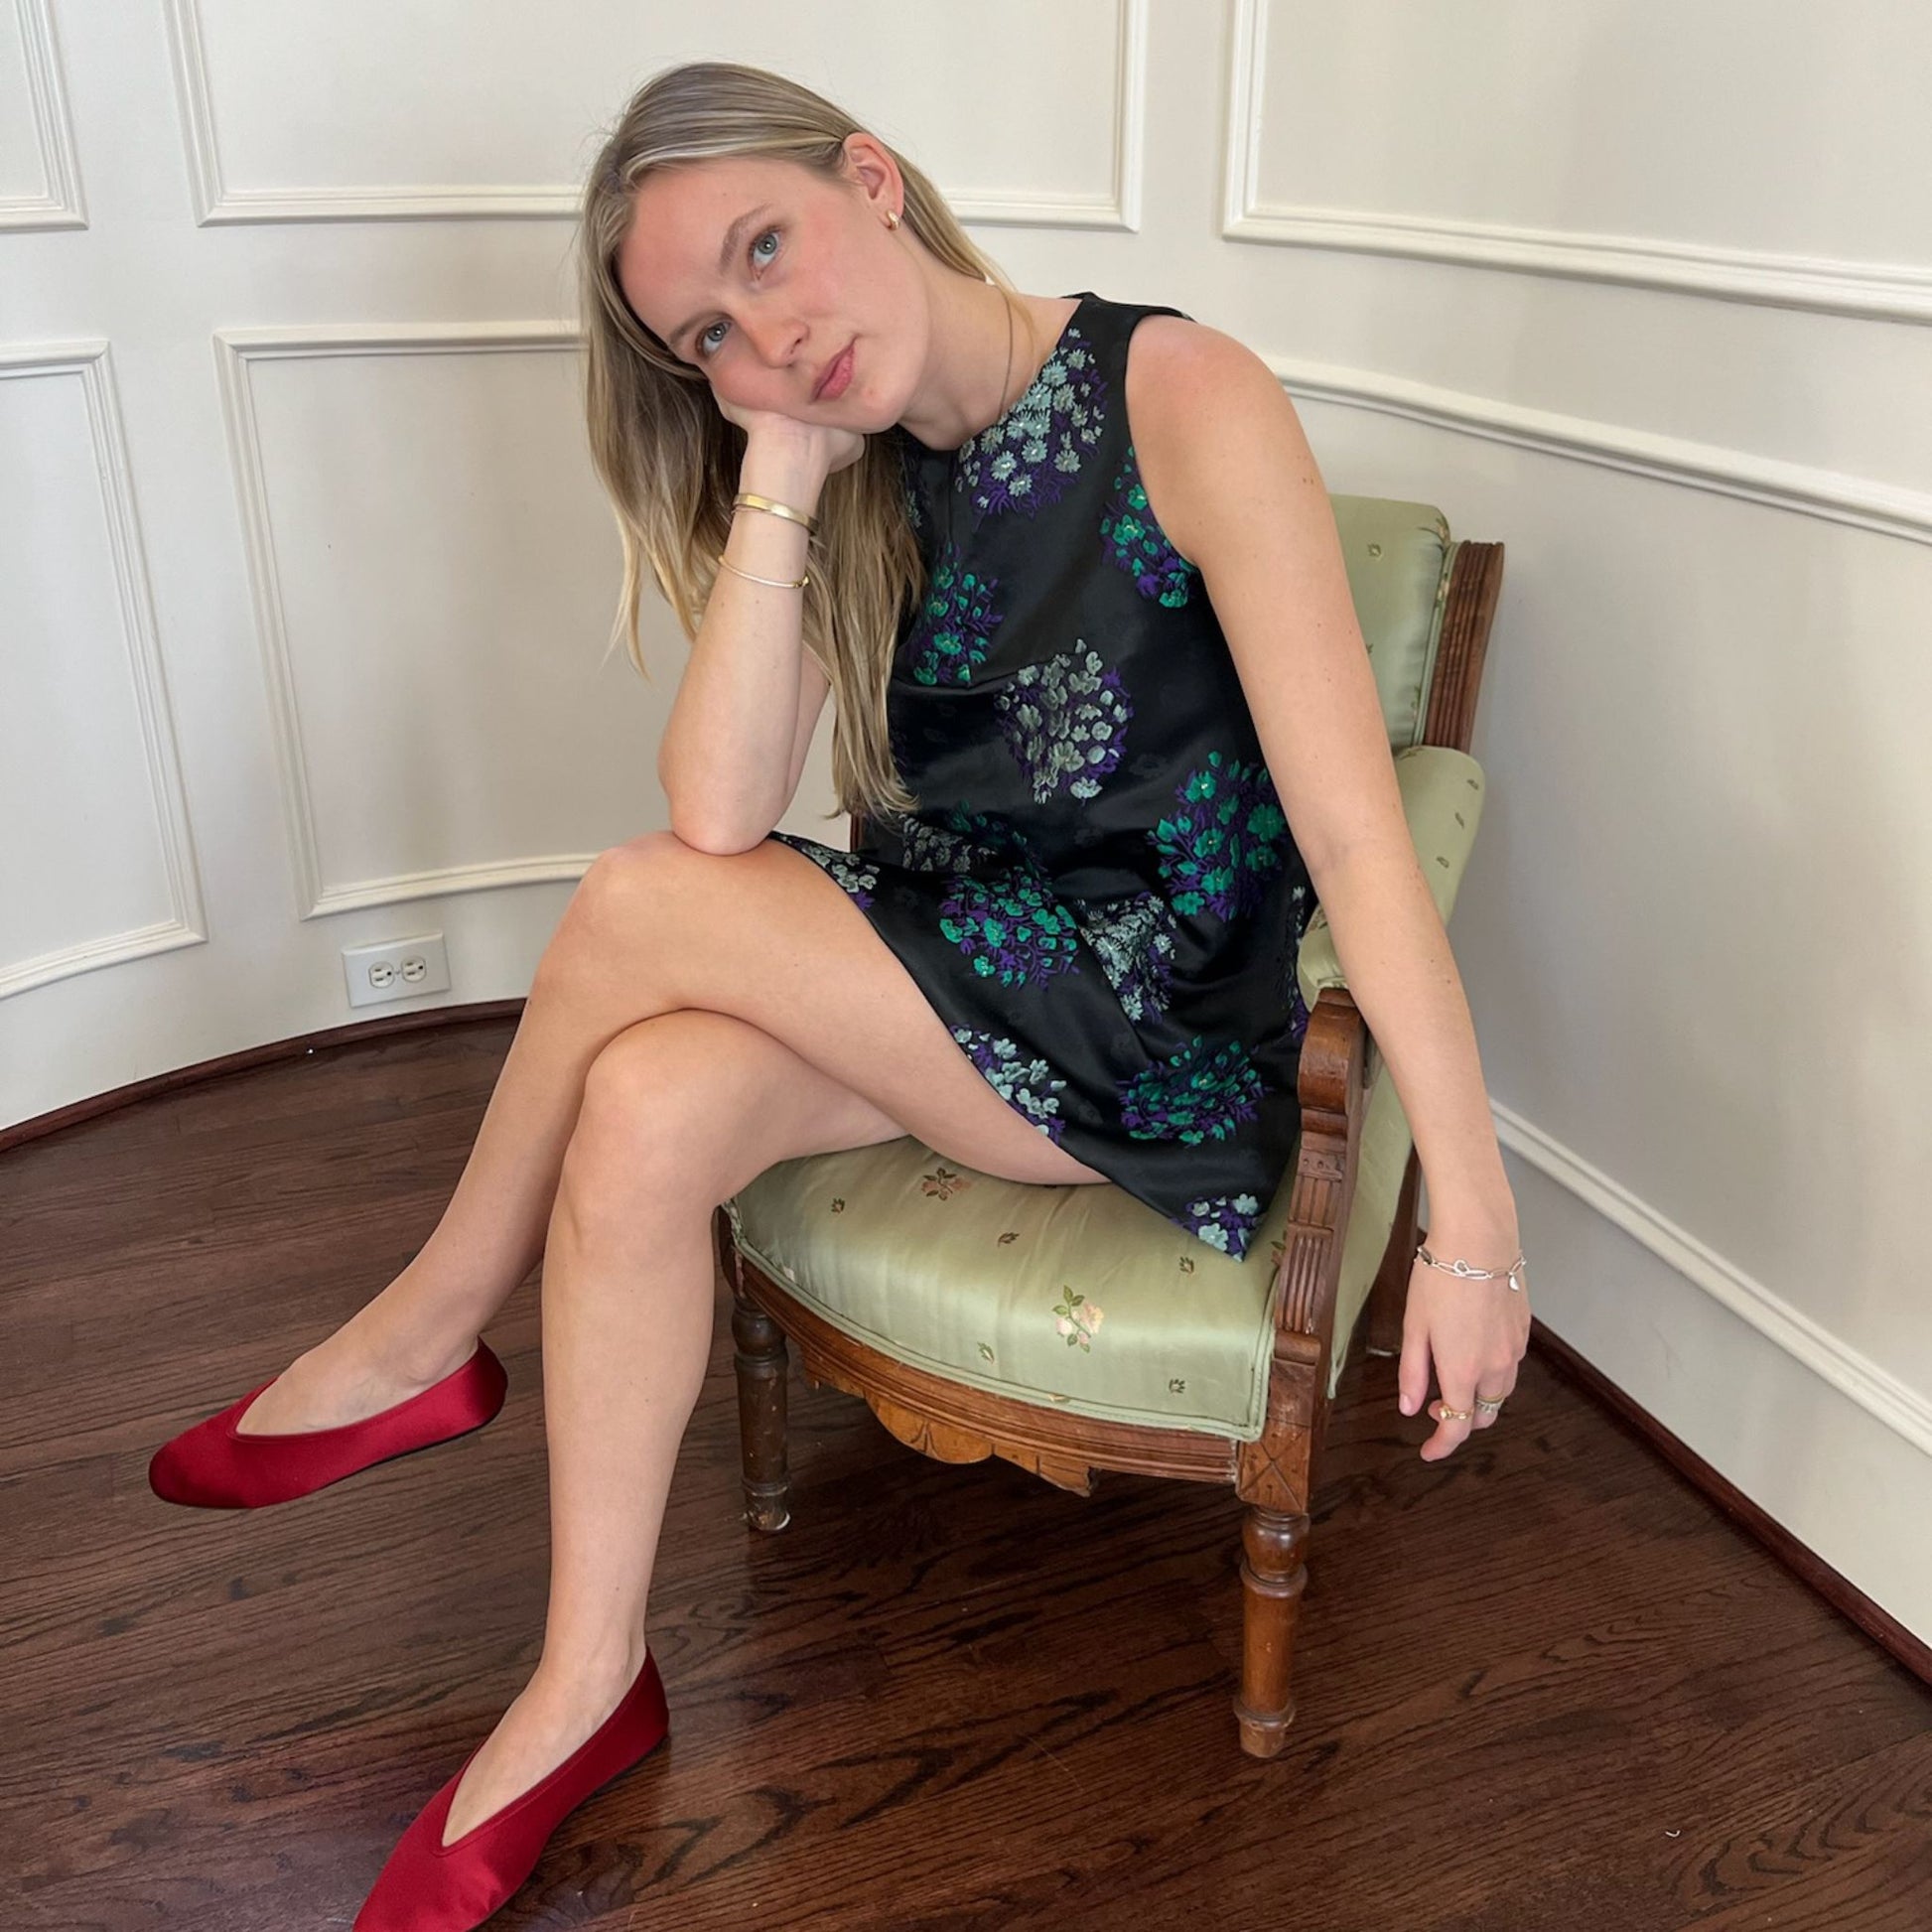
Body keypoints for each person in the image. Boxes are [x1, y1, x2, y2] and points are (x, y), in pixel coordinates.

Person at [145, 58, 1531, 1931]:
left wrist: (1472, 1223)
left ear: (870, 178)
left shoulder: (1177, 392)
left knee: (631, 906)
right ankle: (585, 1678)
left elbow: (1360, 844)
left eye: (765, 248)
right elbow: (722, 806)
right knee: (643, 1103)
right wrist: (784, 475)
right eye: (710, 334)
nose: (769, 334)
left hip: (1143, 1030)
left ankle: (427, 1326)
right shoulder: (846, 464)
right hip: (948, 971)